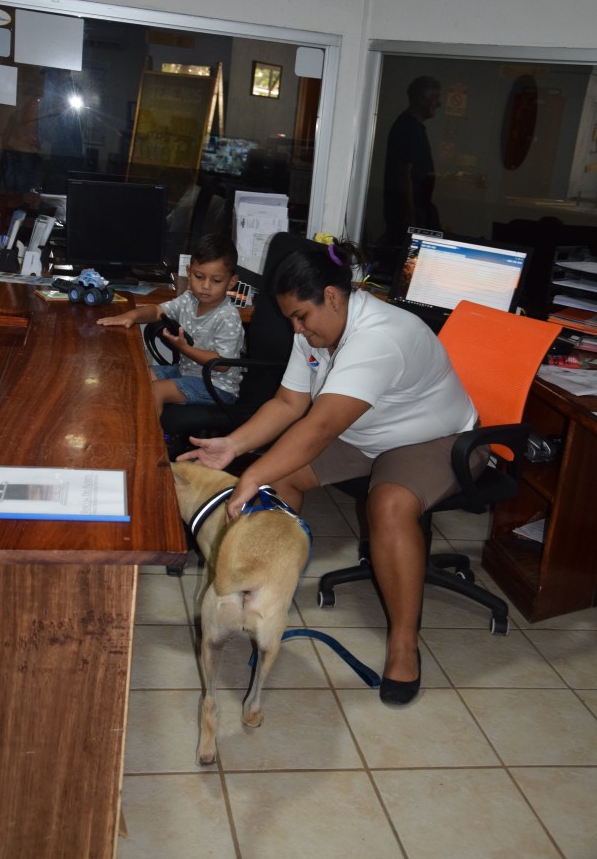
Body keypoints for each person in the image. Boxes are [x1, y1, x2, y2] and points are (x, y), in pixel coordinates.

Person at [178, 236, 487, 706]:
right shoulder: (318, 330)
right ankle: (267, 599)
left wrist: (250, 474)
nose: (297, 330)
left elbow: (319, 427)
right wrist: (234, 446)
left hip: (436, 437)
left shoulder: (381, 335)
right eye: (290, 320)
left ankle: (404, 645)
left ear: (333, 296)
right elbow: (288, 404)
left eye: (301, 317)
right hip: (368, 431)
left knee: (389, 504)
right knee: (283, 477)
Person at [97, 233, 244, 416]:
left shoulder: (228, 316)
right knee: (139, 375)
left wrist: (183, 348)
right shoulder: (188, 299)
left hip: (218, 387)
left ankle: (148, 441)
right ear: (189, 272)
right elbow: (157, 311)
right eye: (199, 276)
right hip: (187, 372)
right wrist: (132, 315)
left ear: (231, 281)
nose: (206, 286)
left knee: (157, 390)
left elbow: (222, 364)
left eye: (216, 281)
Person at [381, 76, 442, 275]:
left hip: (416, 209)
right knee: (408, 269)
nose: (438, 104)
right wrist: (410, 217)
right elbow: (402, 174)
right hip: (408, 212)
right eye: (435, 98)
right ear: (423, 99)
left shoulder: (413, 127)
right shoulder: (408, 128)